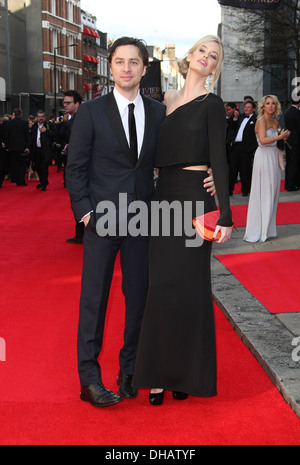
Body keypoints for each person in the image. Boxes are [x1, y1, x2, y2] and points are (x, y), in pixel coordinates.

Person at [66, 37, 216, 408]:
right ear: (111, 66)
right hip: (102, 219)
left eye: (134, 62)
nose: (127, 68)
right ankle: (89, 380)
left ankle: (129, 371)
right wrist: (87, 214)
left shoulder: (158, 110)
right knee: (94, 300)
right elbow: (75, 169)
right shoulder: (91, 111)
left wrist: (207, 171)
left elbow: (181, 149)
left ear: (144, 68)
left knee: (138, 300)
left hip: (144, 220)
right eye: (120, 62)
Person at [132, 35, 233, 405]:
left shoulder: (213, 103)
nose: (206, 58)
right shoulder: (165, 103)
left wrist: (225, 212)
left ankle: (186, 376)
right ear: (189, 56)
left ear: (215, 67)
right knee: (160, 285)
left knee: (189, 287)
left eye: (214, 56)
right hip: (164, 200)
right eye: (202, 51)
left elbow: (219, 159)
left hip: (195, 198)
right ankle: (158, 374)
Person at [243, 95, 290, 243]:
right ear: (263, 106)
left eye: (273, 104)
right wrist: (279, 137)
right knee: (263, 191)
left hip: (273, 158)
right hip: (263, 157)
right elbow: (263, 141)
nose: (271, 106)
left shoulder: (275, 121)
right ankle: (258, 230)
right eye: (268, 103)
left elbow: (274, 140)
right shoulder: (261, 120)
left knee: (273, 192)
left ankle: (268, 229)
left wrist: (283, 137)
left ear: (276, 106)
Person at [61, 90, 84, 244]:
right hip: (75, 165)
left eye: (68, 103)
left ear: (77, 104)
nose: (65, 105)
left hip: (80, 168)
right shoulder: (72, 120)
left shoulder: (80, 120)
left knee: (78, 199)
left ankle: (83, 233)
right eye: (64, 103)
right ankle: (81, 233)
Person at [228, 99, 257, 196]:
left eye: (248, 107)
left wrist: (252, 149)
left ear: (253, 109)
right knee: (232, 168)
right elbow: (231, 125)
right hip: (236, 146)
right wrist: (235, 118)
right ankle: (229, 189)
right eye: (245, 107)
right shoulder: (240, 117)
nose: (246, 109)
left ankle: (245, 190)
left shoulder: (256, 119)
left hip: (246, 148)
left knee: (245, 169)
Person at [29, 110, 56, 191]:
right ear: (36, 118)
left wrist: (46, 131)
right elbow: (31, 138)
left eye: (42, 116)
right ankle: (42, 181)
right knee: (37, 167)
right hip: (36, 150)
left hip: (45, 150)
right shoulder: (34, 126)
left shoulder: (49, 125)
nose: (41, 118)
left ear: (45, 117)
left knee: (44, 167)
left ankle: (44, 184)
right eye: (39, 116)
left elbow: (55, 134)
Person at [4, 108, 29, 186]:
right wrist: (27, 146)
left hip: (12, 147)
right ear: (21, 115)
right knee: (22, 164)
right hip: (22, 147)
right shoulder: (24, 123)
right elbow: (27, 136)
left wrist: (7, 146)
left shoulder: (9, 123)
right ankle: (21, 179)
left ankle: (15, 178)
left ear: (14, 114)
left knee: (14, 163)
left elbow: (6, 136)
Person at [283, 99, 300, 191]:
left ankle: (288, 184)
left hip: (289, 140)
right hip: (296, 142)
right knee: (294, 163)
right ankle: (292, 184)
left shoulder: (287, 112)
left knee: (289, 163)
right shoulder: (297, 112)